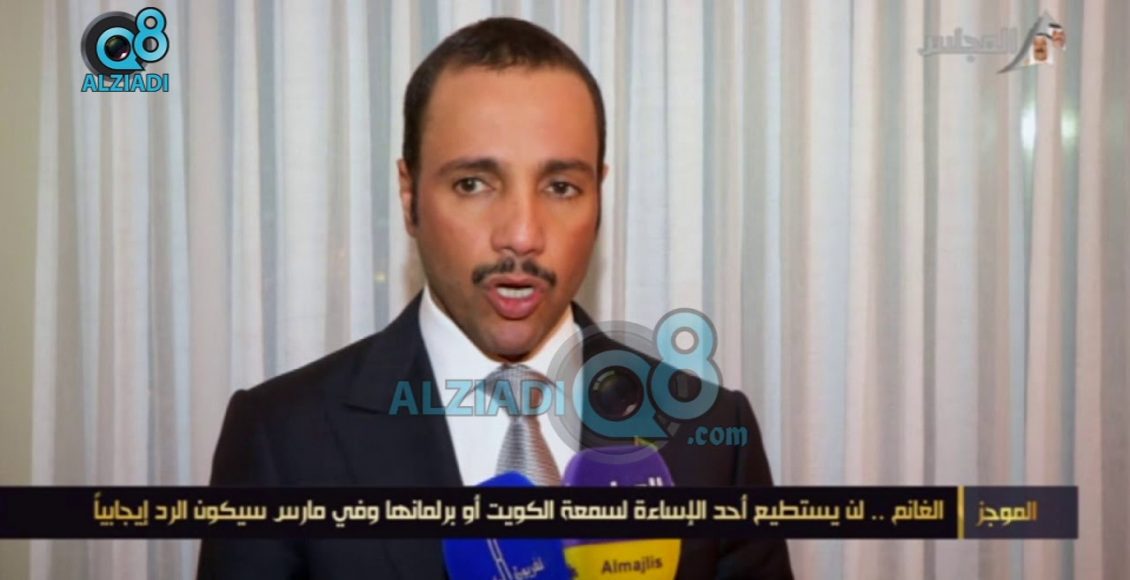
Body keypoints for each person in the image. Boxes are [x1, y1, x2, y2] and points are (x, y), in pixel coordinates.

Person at [197, 17, 792, 579]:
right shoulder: (282, 440)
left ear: (599, 197)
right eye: (473, 184)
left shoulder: (709, 438)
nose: (522, 235)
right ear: (409, 197)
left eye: (561, 187)